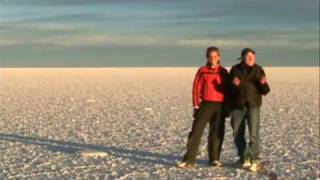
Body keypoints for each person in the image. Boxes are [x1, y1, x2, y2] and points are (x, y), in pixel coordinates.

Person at [177, 46, 228, 169]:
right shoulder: (202, 70)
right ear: (207, 57)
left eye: (215, 56)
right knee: (196, 131)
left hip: (220, 105)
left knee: (216, 132)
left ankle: (214, 158)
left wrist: (228, 106)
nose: (213, 58)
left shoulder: (224, 72)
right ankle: (189, 159)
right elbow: (196, 88)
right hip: (205, 104)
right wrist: (196, 104)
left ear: (219, 57)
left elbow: (228, 90)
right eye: (210, 56)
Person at [228, 48, 270, 172]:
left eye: (253, 56)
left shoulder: (259, 70)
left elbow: (265, 91)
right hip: (238, 106)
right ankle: (244, 157)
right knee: (237, 133)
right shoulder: (235, 69)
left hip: (253, 105)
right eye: (248, 56)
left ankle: (255, 158)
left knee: (254, 133)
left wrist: (263, 83)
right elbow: (229, 88)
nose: (251, 58)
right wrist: (233, 85)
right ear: (242, 58)